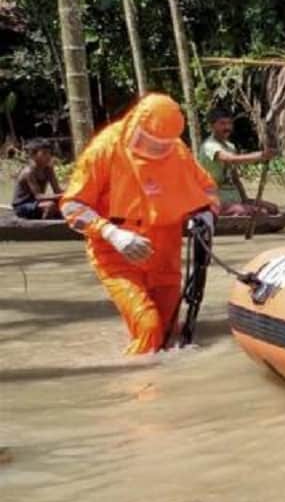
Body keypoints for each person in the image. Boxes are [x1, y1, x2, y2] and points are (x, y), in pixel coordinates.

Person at [61, 93, 219, 354]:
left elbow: (208, 192)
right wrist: (112, 233)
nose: (155, 151)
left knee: (169, 333)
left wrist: (207, 216)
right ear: (135, 123)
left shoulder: (177, 151)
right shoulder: (105, 149)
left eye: (162, 146)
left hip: (166, 253)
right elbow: (72, 206)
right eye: (149, 143)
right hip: (117, 254)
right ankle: (140, 389)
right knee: (148, 327)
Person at [197, 108, 279, 216]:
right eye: (222, 124)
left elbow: (235, 177)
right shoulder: (209, 146)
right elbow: (230, 159)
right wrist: (261, 155)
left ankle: (242, 207)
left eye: (229, 123)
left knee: (272, 209)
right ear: (212, 126)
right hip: (213, 200)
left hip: (233, 198)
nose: (227, 127)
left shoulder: (230, 146)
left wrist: (244, 198)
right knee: (258, 212)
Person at [10, 138, 63, 219]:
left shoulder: (48, 170)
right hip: (22, 205)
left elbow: (57, 190)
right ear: (33, 155)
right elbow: (38, 196)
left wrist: (71, 194)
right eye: (44, 153)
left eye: (49, 153)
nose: (48, 156)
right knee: (50, 205)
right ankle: (44, 228)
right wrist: (61, 195)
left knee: (65, 203)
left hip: (38, 202)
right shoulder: (29, 172)